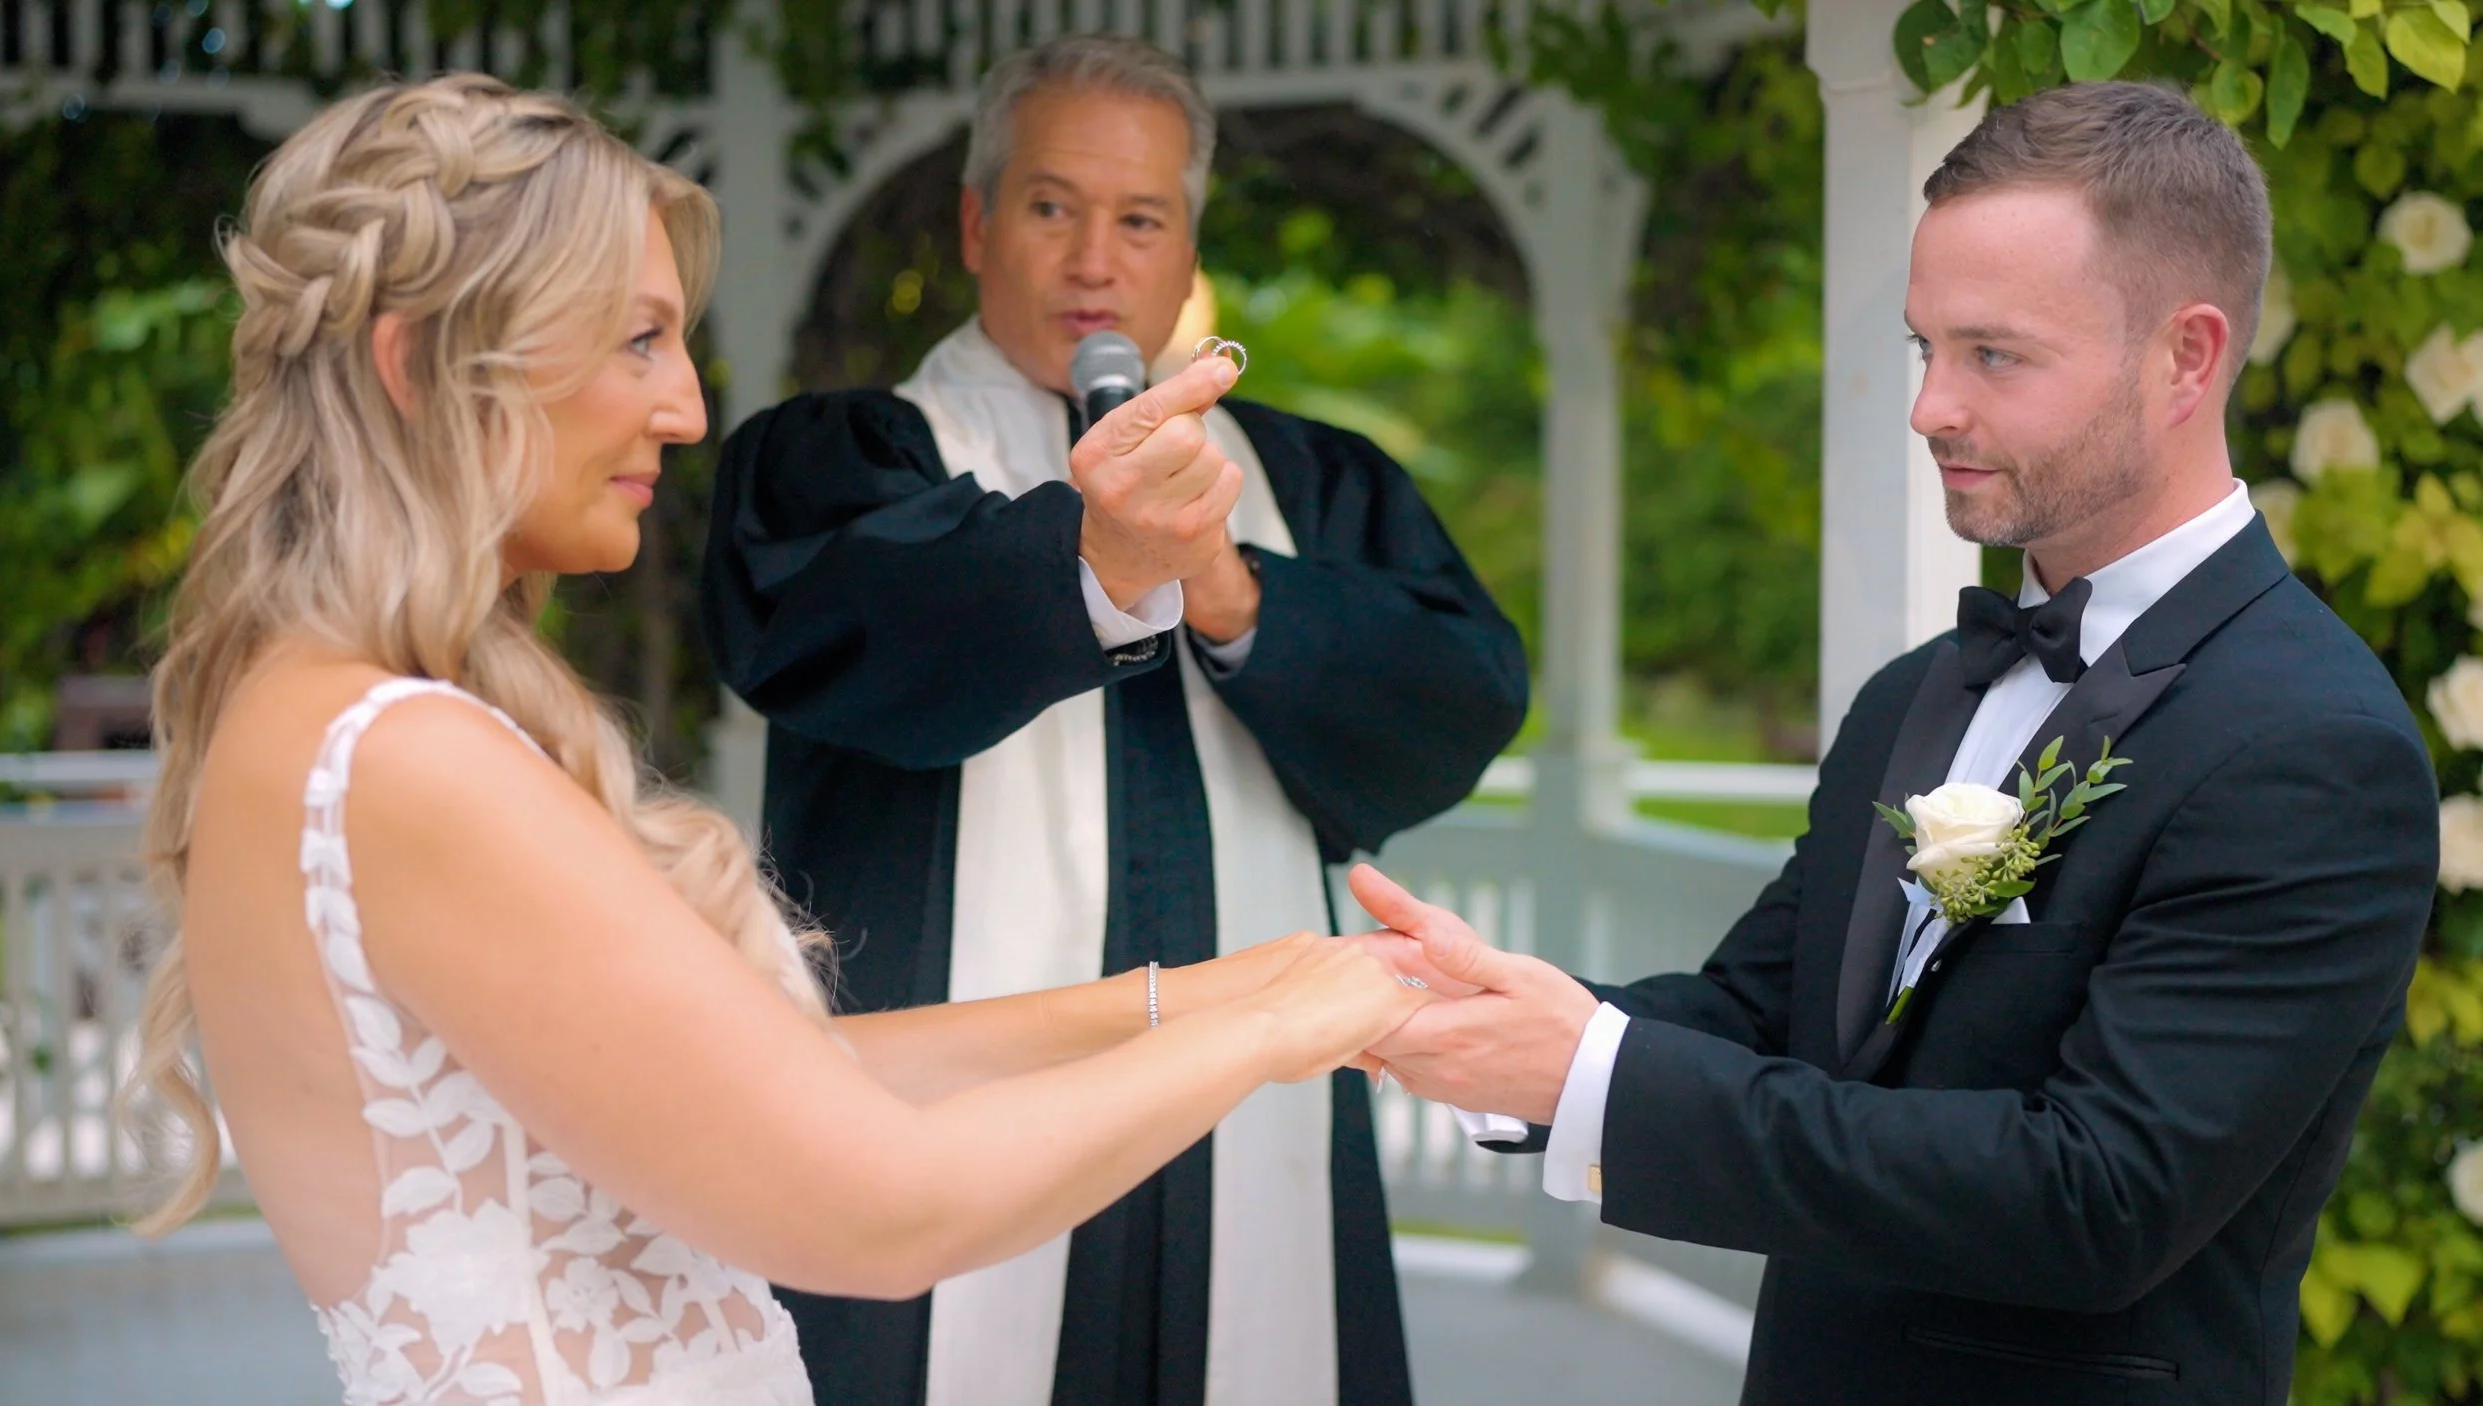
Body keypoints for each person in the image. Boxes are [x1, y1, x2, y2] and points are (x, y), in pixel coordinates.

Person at [122, 73, 1436, 1406]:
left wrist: (1215, 989)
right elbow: (884, 1205)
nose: (688, 410)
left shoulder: (321, 713)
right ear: (417, 361)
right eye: (637, 341)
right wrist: (1273, 1034)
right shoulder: (410, 756)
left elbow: (779, 1075)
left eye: (1145, 220)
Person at [1354, 81, 2439, 1405]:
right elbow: (1766, 1018)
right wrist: (1475, 1025)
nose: (1928, 405)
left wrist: (1599, 1074)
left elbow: (2096, 1196)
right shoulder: (1915, 695)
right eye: (1927, 346)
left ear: (2186, 358)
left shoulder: (2315, 745)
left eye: (1994, 354)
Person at [698, 34, 1525, 1406]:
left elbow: (1456, 697)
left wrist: (1227, 581)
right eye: (1050, 205)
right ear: (976, 223)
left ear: (1184, 244)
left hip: (1244, 1120)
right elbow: (842, 630)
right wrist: (1097, 559)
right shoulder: (843, 458)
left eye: (1140, 219)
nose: (1096, 259)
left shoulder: (1309, 483)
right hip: (945, 1113)